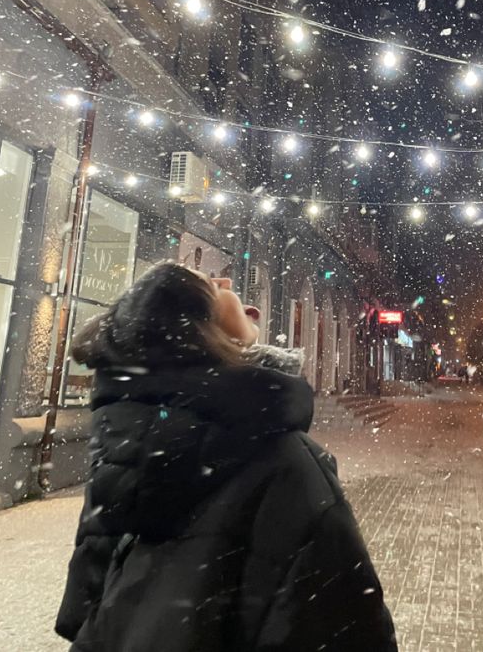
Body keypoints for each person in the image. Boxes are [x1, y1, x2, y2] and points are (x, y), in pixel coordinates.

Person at [56, 262, 397, 652]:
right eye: (210, 285)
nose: (227, 282)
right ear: (198, 330)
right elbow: (345, 624)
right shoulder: (282, 460)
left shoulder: (128, 448)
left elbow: (86, 601)